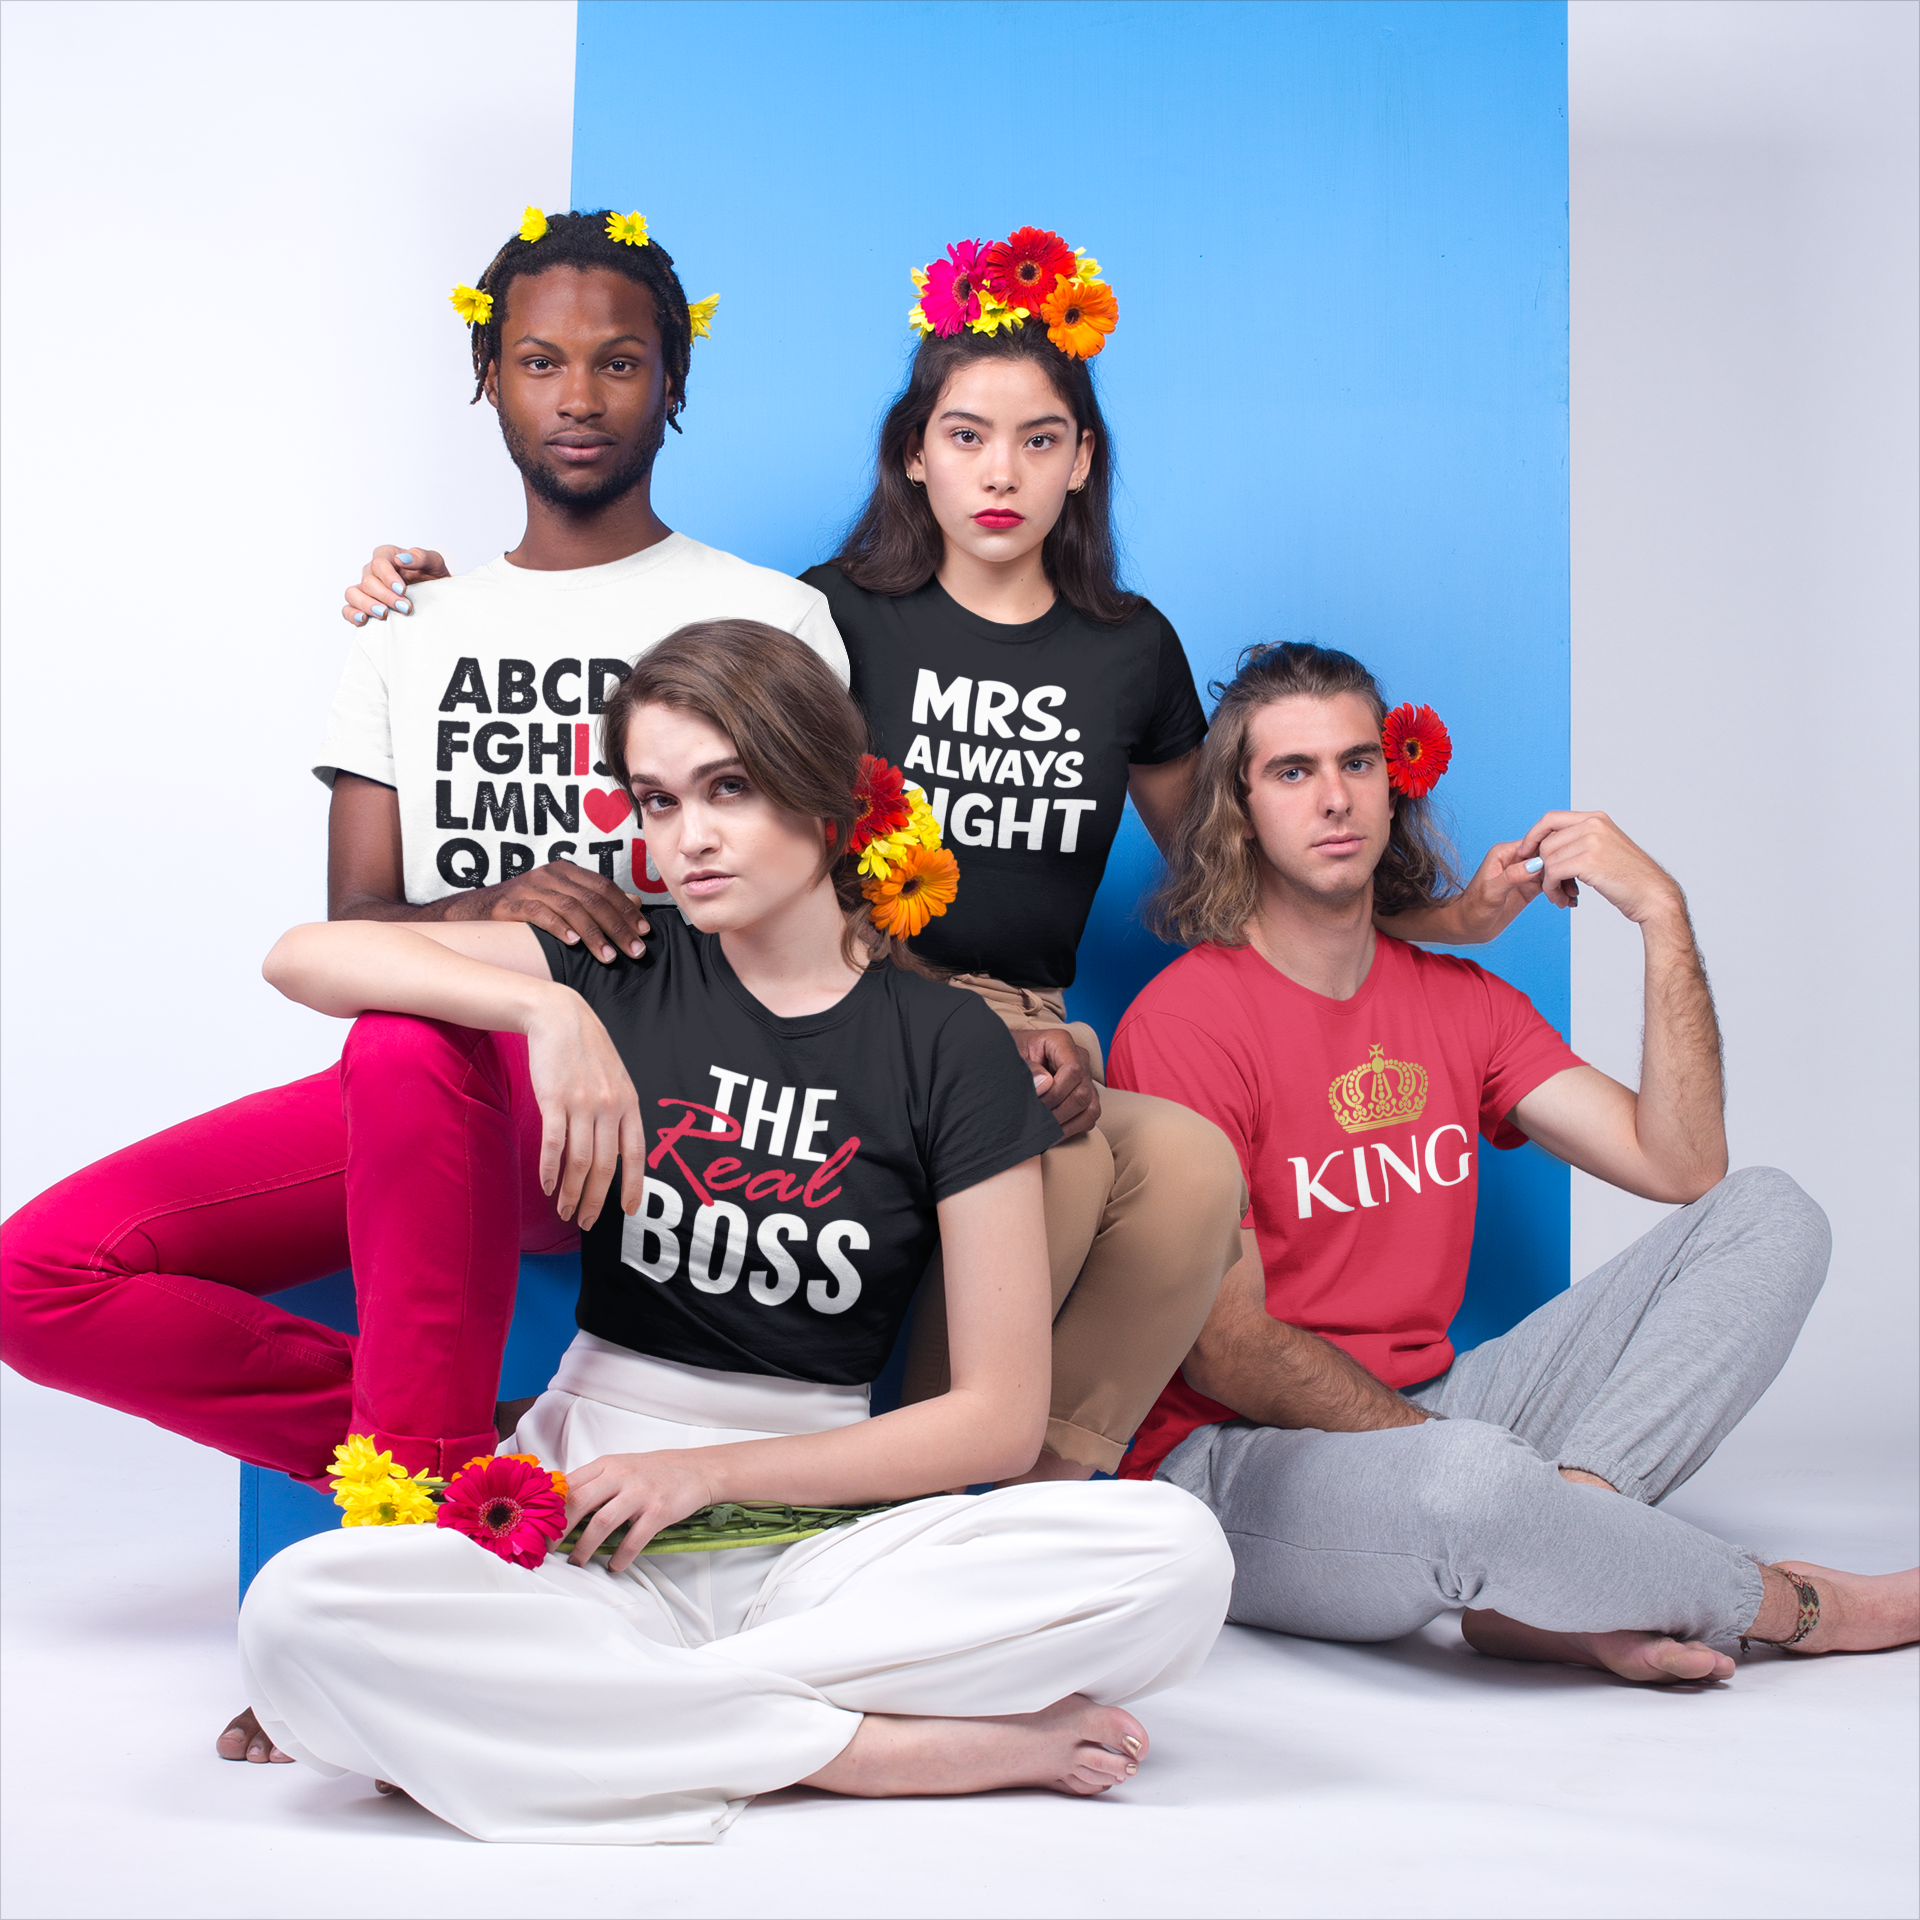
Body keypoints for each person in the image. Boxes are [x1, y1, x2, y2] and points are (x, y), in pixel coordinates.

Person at [341, 224, 1544, 1485]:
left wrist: (1438, 923)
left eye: (1038, 439)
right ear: (914, 456)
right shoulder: (835, 613)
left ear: (1084, 461)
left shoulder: (1130, 648)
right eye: (966, 435)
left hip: (1035, 1019)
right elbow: (695, 729)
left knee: (1183, 1159)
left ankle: (1039, 1482)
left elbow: (1243, 869)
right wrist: (436, 590)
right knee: (1049, 1164)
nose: (1001, 473)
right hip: (869, 999)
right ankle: (894, 1478)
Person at [0, 206, 847, 1764]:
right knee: (42, 1274)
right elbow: (361, 917)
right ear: (487, 379)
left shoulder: (770, 617)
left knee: (403, 1030)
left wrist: (571, 994)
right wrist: (510, 932)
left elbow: (804, 895)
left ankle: (399, 1609)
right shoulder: (411, 625)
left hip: (654, 1098)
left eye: (617, 361)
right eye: (539, 360)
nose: (577, 393)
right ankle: (478, 1475)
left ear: (675, 386)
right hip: (440, 1080)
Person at [236, 619, 1233, 1844]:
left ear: (824, 792)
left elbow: (995, 1419)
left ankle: (629, 1726)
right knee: (296, 1614)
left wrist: (708, 1473)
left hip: (821, 1541)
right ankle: (853, 1750)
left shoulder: (948, 1046)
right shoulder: (616, 965)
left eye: (728, 789)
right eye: (656, 801)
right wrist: (540, 1014)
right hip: (587, 1522)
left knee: (1177, 1558)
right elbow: (305, 954)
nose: (685, 839)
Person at [1104, 640, 1918, 1679]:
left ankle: (1562, 1575)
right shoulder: (1186, 1025)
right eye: (1292, 772)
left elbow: (1684, 1164)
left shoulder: (1461, 1003)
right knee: (1473, 1487)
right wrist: (1448, 1459)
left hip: (1442, 1403)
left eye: (1358, 764)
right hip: (1234, 1463)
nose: (1335, 799)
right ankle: (1798, 1605)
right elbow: (1230, 1352)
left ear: (1393, 792)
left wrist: (1661, 915)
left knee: (1775, 1213)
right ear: (1241, 807)